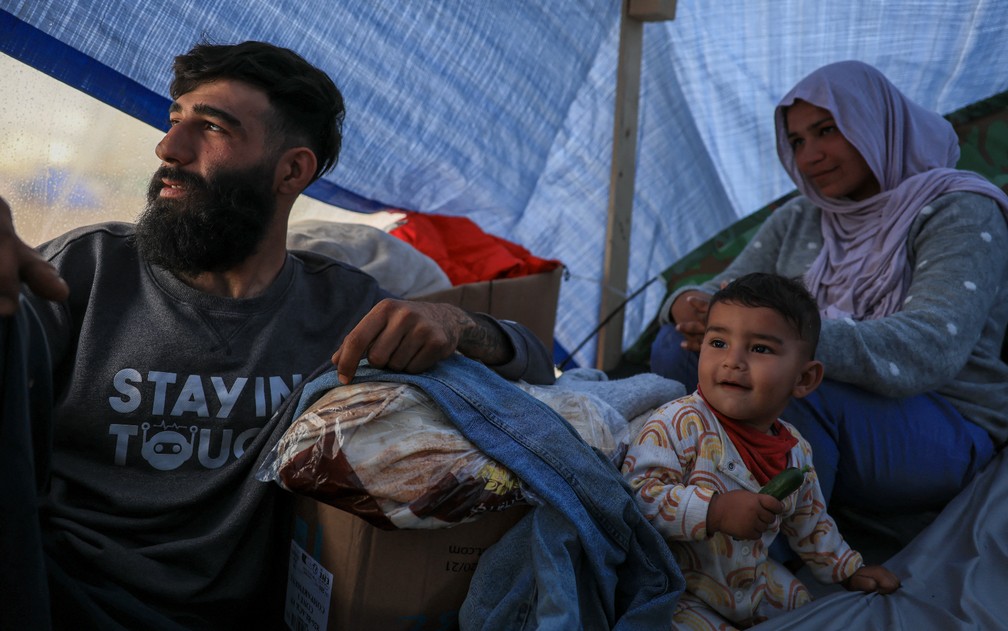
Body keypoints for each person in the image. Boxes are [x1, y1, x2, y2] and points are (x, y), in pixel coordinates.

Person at [0, 40, 555, 630]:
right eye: (174, 119)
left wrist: (459, 323)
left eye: (211, 127)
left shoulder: (341, 307)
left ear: (292, 169)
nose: (169, 148)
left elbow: (541, 371)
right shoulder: (82, 273)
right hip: (62, 604)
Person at [650, 60, 1008, 516]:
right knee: (677, 346)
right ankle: (706, 502)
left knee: (792, 382)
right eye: (797, 141)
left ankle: (766, 550)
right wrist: (691, 305)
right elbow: (723, 289)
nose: (808, 156)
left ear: (876, 123)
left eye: (827, 131)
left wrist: (787, 343)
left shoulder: (959, 210)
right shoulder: (802, 216)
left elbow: (930, 346)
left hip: (943, 421)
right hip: (821, 398)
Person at [624, 272, 900, 629]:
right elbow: (636, 499)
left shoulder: (795, 450)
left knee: (810, 613)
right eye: (718, 342)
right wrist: (714, 511)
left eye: (760, 349)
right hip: (676, 588)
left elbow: (810, 521)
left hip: (752, 579)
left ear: (804, 379)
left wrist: (848, 570)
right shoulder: (676, 423)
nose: (732, 361)